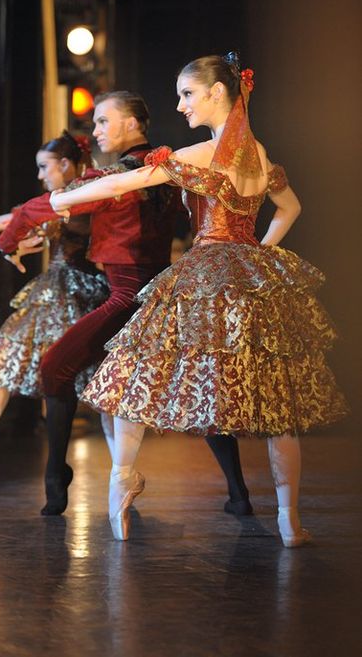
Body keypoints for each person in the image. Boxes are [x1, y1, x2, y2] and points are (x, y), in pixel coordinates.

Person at [49, 54, 349, 545]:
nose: (180, 103)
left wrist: (62, 200)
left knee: (137, 369)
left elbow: (130, 180)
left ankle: (120, 489)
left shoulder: (207, 155)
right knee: (277, 399)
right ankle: (289, 521)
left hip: (206, 271)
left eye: (187, 93)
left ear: (216, 93)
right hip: (249, 277)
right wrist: (258, 255)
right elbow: (290, 206)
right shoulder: (258, 151)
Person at [0, 90, 253, 518]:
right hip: (162, 294)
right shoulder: (167, 166)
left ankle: (55, 477)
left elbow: (55, 202)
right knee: (198, 386)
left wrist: (9, 238)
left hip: (128, 297)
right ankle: (239, 493)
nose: (95, 131)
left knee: (53, 368)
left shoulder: (125, 173)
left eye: (102, 122)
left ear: (132, 124)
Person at [0, 131, 109, 495]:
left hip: (78, 293)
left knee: (97, 382)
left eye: (45, 167)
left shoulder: (71, 199)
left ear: (66, 164)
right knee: (11, 361)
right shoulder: (77, 197)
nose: (41, 176)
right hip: (68, 293)